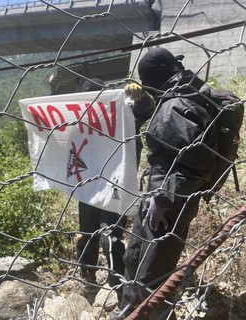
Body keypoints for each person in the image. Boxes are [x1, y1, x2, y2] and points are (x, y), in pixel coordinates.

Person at [113, 47, 219, 319]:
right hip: (164, 197)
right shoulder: (183, 92)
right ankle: (132, 310)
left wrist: (162, 199)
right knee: (135, 257)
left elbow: (198, 165)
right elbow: (165, 127)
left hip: (169, 203)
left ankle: (150, 314)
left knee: (152, 269)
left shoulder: (175, 106)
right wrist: (143, 102)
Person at [76, 77, 155, 300]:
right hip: (88, 188)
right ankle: (88, 276)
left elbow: (144, 111)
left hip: (115, 185)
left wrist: (142, 97)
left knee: (110, 234)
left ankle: (118, 282)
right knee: (88, 233)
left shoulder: (120, 116)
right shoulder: (78, 122)